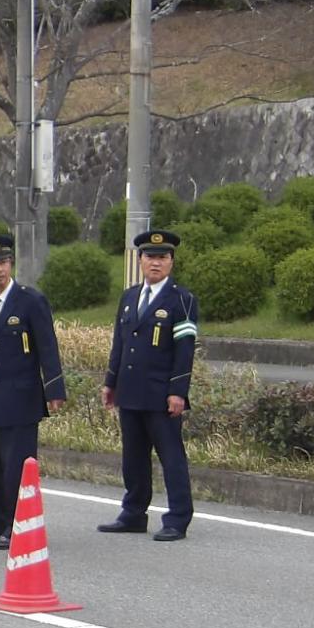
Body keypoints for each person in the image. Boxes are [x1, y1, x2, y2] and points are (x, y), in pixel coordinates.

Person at [0, 232, 66, 550]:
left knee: (16, 467)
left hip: (21, 398)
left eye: (4, 262)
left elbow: (47, 347)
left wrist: (54, 389)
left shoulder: (29, 300)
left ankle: (16, 525)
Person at [99, 229, 199, 541]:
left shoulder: (181, 300)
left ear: (171, 262)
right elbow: (120, 343)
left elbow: (185, 352)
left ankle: (177, 519)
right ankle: (133, 513)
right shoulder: (129, 297)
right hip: (130, 392)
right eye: (150, 257)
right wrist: (110, 382)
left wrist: (177, 392)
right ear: (140, 260)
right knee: (133, 457)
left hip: (161, 394)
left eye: (162, 257)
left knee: (171, 457)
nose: (156, 263)